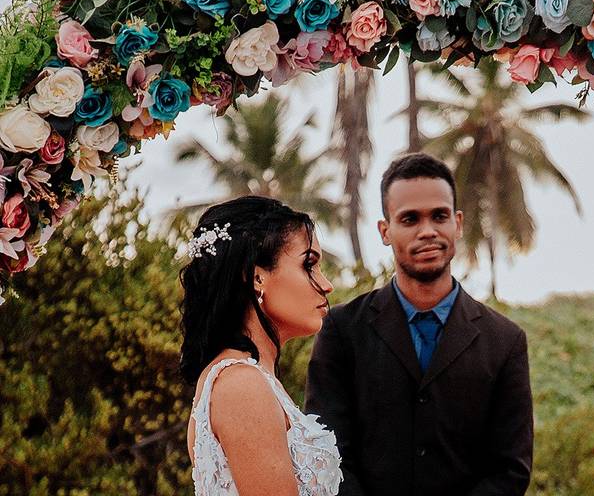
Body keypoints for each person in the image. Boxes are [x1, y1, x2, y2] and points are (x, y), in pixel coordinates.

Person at [305, 152, 533, 496]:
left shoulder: (505, 340)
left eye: (439, 216)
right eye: (410, 219)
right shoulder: (341, 330)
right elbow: (329, 455)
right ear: (385, 230)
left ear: (457, 223)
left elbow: (510, 469)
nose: (427, 231)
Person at [180, 196, 343, 495]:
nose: (326, 284)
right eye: (309, 265)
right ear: (257, 277)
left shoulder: (250, 379)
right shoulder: (241, 385)